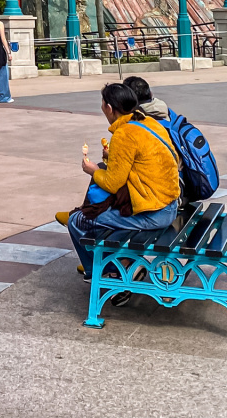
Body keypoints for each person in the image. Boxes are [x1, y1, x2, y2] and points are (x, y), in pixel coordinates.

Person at [66, 82, 181, 300]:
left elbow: (112, 183)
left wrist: (92, 171)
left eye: (102, 104)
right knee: (100, 215)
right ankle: (121, 266)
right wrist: (113, 157)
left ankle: (108, 275)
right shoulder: (149, 123)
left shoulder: (124, 134)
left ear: (109, 108)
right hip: (170, 204)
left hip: (153, 214)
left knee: (77, 221)